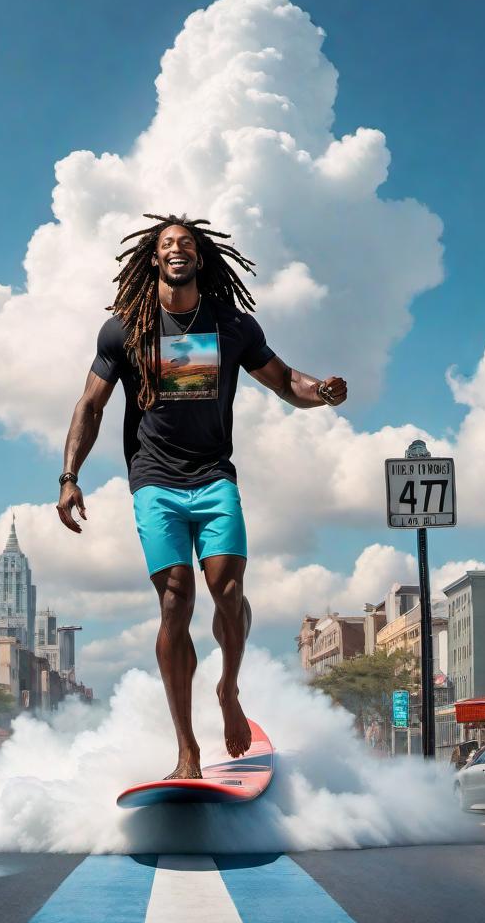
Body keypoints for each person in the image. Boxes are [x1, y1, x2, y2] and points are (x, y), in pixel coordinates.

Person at [57, 214, 347, 780]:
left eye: (186, 243)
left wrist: (324, 392)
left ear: (201, 257)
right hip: (155, 479)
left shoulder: (231, 326)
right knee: (175, 600)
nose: (176, 250)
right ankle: (187, 749)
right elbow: (88, 406)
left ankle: (229, 691)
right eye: (166, 244)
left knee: (229, 594)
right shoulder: (125, 331)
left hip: (214, 477)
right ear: (153, 258)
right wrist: (68, 477)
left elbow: (287, 381)